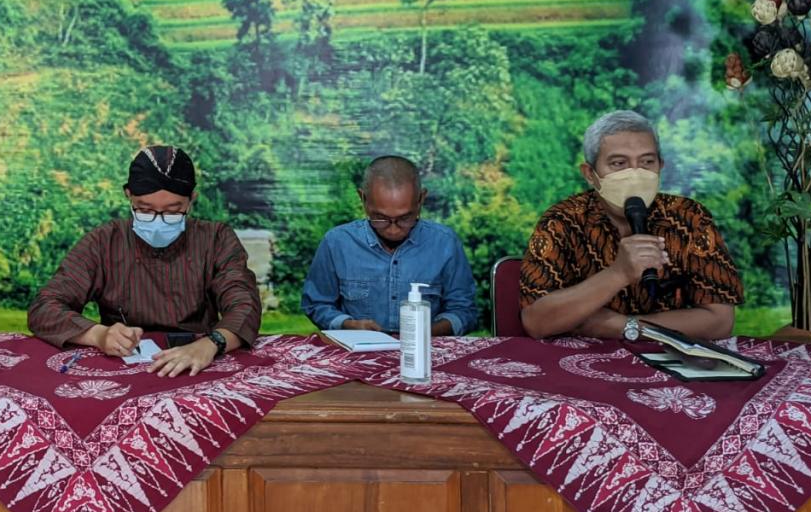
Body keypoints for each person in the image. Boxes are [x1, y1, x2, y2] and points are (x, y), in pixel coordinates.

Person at [28, 145, 262, 378]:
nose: (158, 223)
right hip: (121, 364)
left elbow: (245, 305)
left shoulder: (215, 239)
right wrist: (98, 335)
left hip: (197, 363)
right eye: (145, 210)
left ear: (191, 199)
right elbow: (44, 307)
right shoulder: (104, 242)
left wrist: (211, 344)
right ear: (128, 195)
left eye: (173, 212)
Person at [519, 110, 743, 341]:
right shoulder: (561, 222)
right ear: (590, 174)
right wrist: (619, 273)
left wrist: (626, 327)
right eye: (619, 163)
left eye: (647, 162)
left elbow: (720, 321)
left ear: (660, 166)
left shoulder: (690, 217)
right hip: (582, 358)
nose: (635, 174)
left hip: (672, 359)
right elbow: (536, 323)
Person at [301, 155, 478, 336]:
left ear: (421, 199)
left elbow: (465, 311)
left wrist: (426, 333)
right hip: (358, 350)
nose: (393, 230)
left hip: (426, 349)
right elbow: (317, 304)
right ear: (363, 199)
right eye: (381, 218)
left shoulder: (444, 243)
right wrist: (347, 325)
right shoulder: (337, 243)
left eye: (405, 218)